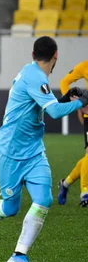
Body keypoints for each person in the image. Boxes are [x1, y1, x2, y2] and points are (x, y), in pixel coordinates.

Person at [0, 37, 88, 262]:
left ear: (32, 53)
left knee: (44, 199)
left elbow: (47, 106)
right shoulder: (34, 77)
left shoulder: (34, 74)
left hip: (34, 151)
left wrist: (67, 98)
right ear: (56, 55)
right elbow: (56, 114)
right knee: (11, 208)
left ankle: (18, 255)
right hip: (9, 151)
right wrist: (81, 104)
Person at [57, 59, 88, 206]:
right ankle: (85, 193)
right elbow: (64, 82)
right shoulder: (84, 66)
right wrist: (74, 103)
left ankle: (66, 183)